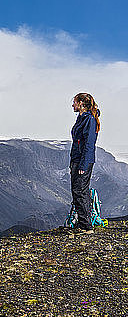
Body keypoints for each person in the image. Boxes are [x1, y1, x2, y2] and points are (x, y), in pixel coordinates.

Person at [69, 92, 101, 234]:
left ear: (81, 103)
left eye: (75, 102)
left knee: (80, 191)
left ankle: (86, 227)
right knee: (78, 191)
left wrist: (83, 164)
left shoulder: (89, 120)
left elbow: (89, 143)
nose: (73, 105)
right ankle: (83, 224)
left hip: (83, 161)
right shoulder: (82, 118)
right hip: (78, 159)